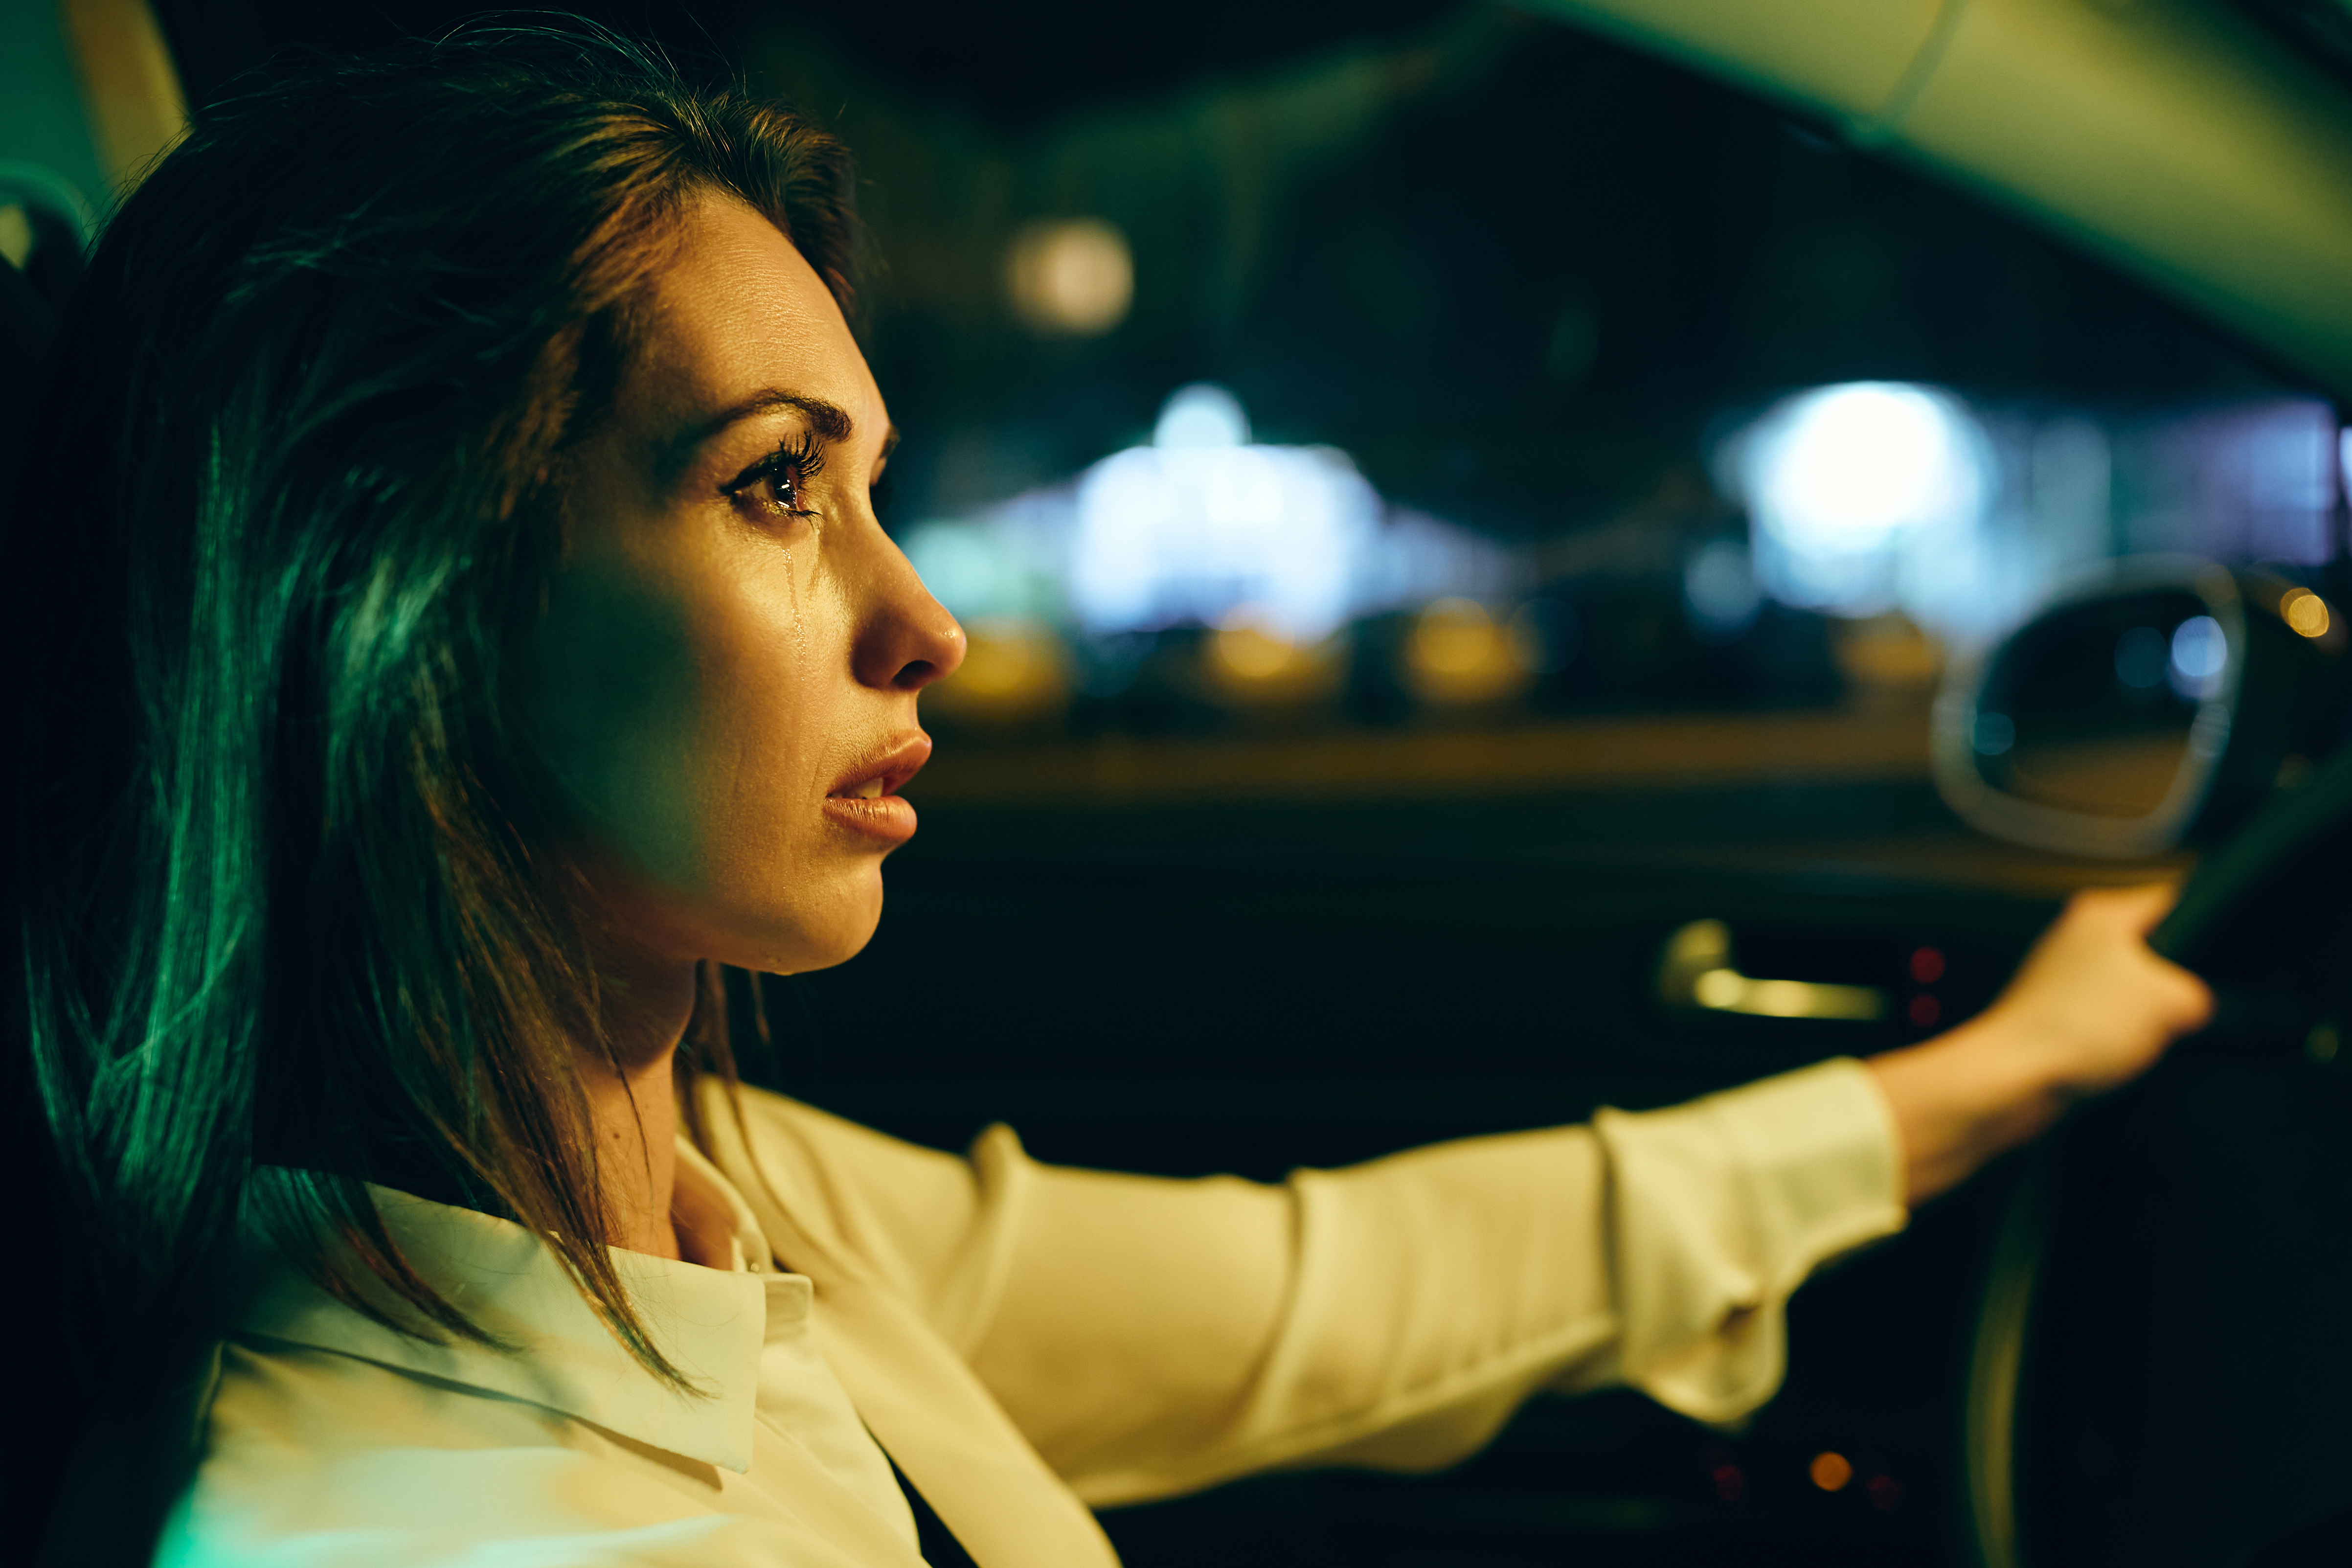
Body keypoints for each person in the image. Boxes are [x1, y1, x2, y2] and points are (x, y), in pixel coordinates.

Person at [12, 28, 2211, 1568]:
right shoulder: (423, 1522)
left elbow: (1331, 1293)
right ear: (394, 594)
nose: (922, 619)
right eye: (773, 484)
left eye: (876, 483)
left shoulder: (709, 1202)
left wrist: (2002, 1071)